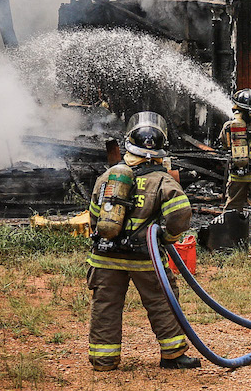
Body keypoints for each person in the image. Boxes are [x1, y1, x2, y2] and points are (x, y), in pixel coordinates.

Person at [85, 111, 201, 371]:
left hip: (105, 257)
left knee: (105, 306)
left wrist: (105, 233)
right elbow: (180, 216)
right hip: (145, 259)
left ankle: (104, 359)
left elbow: (93, 214)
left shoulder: (109, 178)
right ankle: (173, 355)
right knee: (162, 302)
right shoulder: (163, 181)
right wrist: (167, 238)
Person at [218, 88, 251, 240]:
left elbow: (224, 144)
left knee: (233, 204)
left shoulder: (229, 126)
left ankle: (229, 234)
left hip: (237, 174)